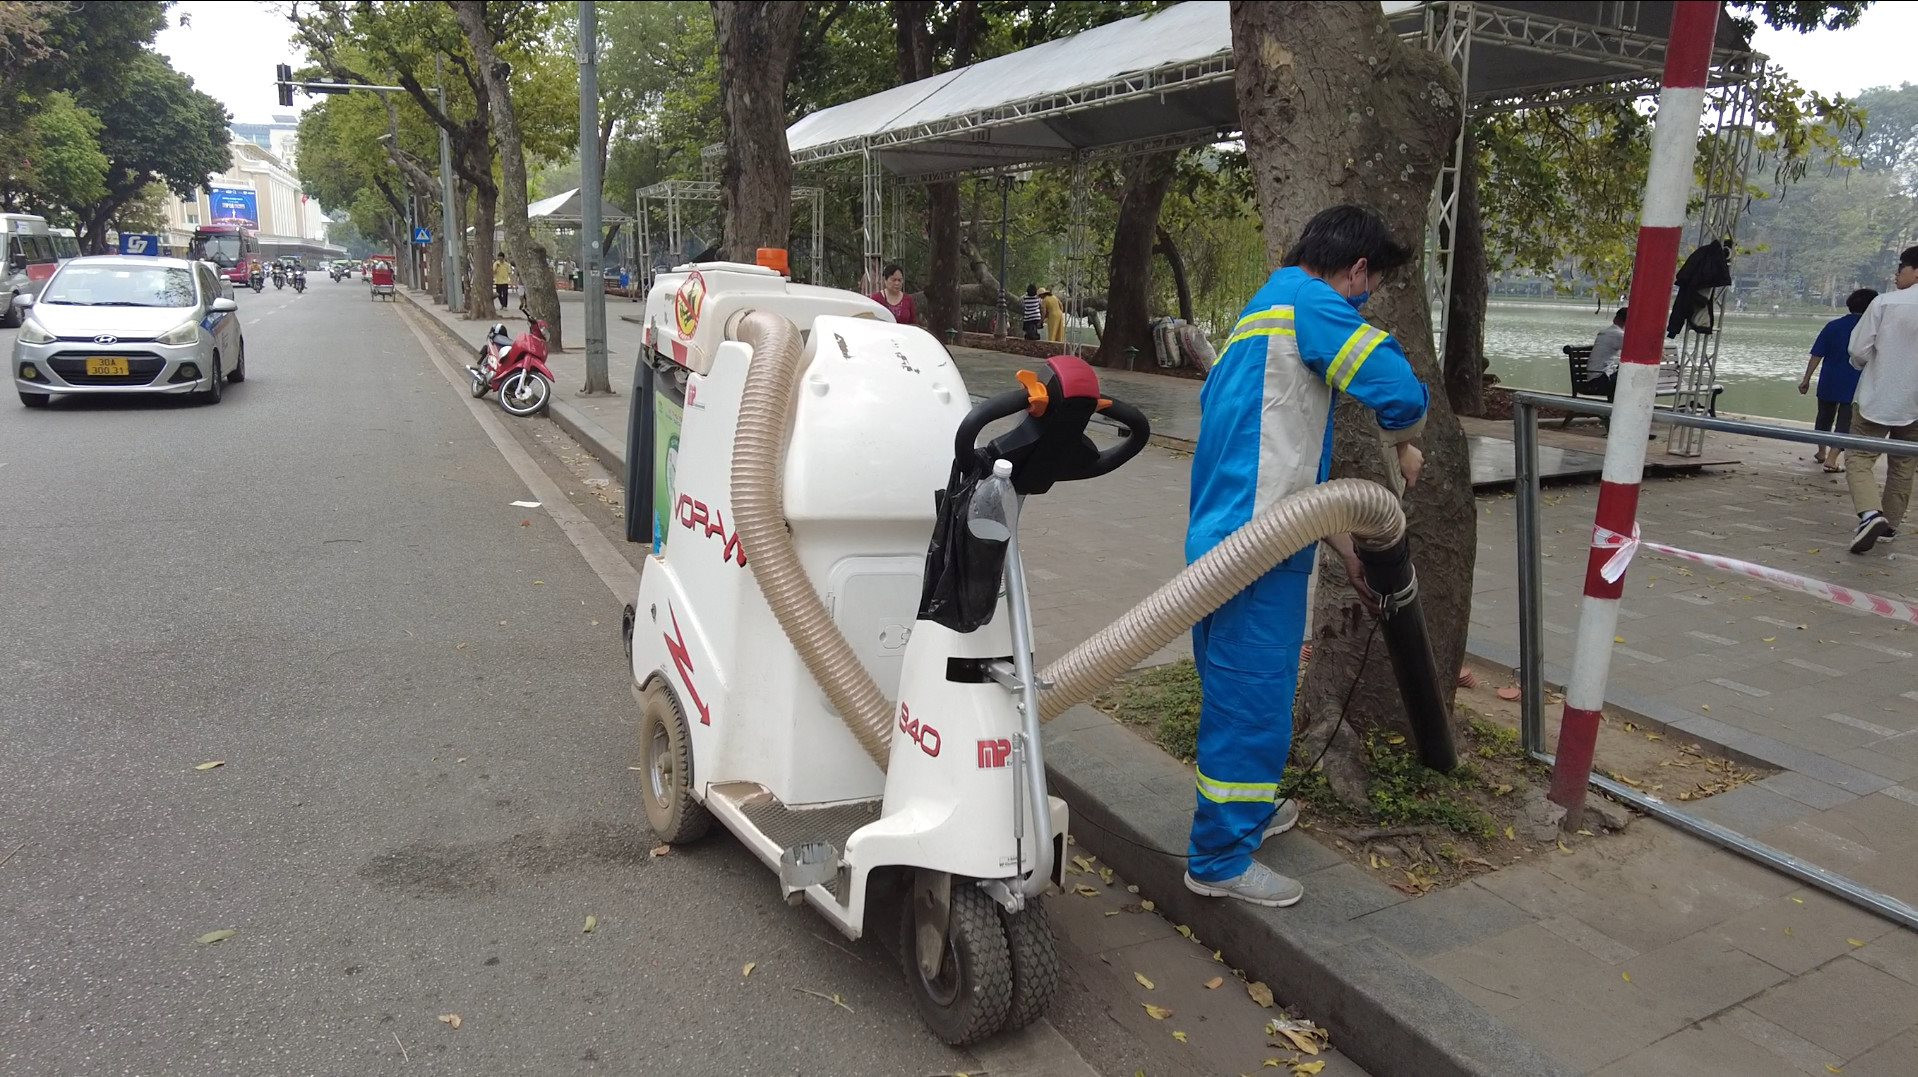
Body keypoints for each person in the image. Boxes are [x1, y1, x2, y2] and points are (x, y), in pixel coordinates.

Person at [1183, 205, 1428, 908]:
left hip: (1238, 537)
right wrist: (1406, 435)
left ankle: (1247, 816)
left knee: (1243, 686)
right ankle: (1219, 858)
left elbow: (1290, 470)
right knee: (1251, 696)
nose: (1362, 300)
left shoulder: (1263, 314)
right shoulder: (1309, 303)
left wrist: (1347, 548)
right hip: (1252, 550)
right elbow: (1394, 383)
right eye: (1368, 286)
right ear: (1356, 270)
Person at [1846, 246, 1918, 553]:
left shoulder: (1885, 302)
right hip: (1915, 405)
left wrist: (1862, 365)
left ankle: (1870, 514)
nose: (1897, 274)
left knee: (1858, 458)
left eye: (1901, 268)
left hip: (1877, 395)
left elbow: (1858, 350)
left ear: (1915, 270)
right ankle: (1888, 526)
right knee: (1903, 463)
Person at [1800, 289, 1876, 473]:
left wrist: (1806, 379)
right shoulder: (1870, 330)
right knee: (1846, 421)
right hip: (1854, 382)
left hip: (1829, 380)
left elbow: (1817, 354)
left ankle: (1821, 451)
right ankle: (1832, 459)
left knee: (1824, 416)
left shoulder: (1833, 326)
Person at [1584, 307, 1627, 400]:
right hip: (1600, 379)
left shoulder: (1609, 332)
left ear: (1615, 319)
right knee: (1628, 377)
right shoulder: (1617, 334)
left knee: (1625, 375)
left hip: (1596, 376)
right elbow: (1634, 352)